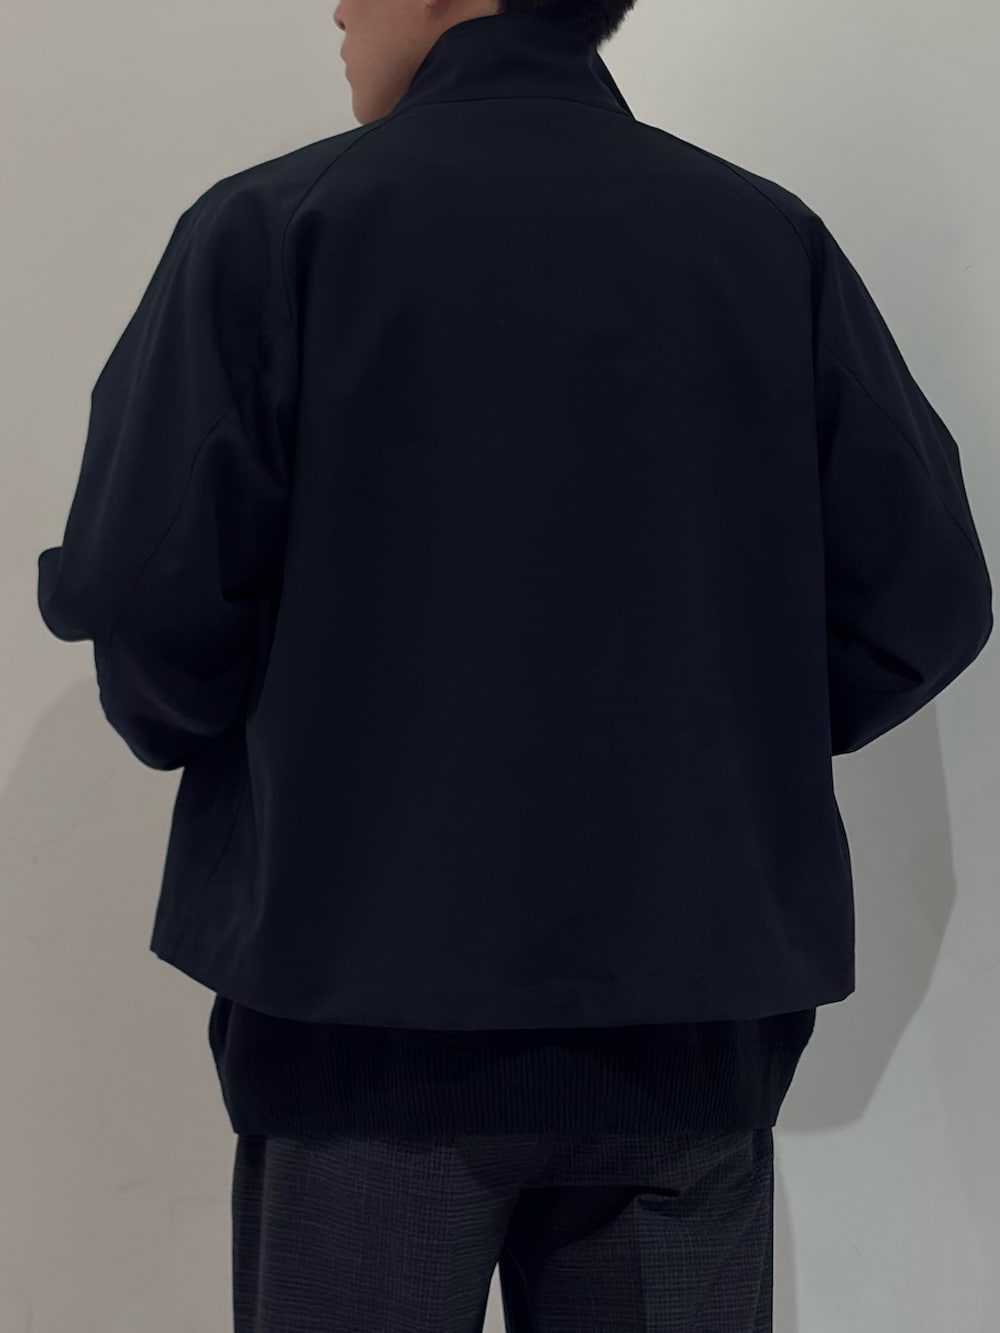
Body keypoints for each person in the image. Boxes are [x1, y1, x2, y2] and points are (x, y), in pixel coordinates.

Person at [36, 0, 993, 1328]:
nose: (336, 4)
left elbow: (141, 597)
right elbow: (926, 593)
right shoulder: (765, 244)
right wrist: (732, 732)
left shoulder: (280, 229)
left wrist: (230, 728)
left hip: (359, 1034)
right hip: (687, 1045)